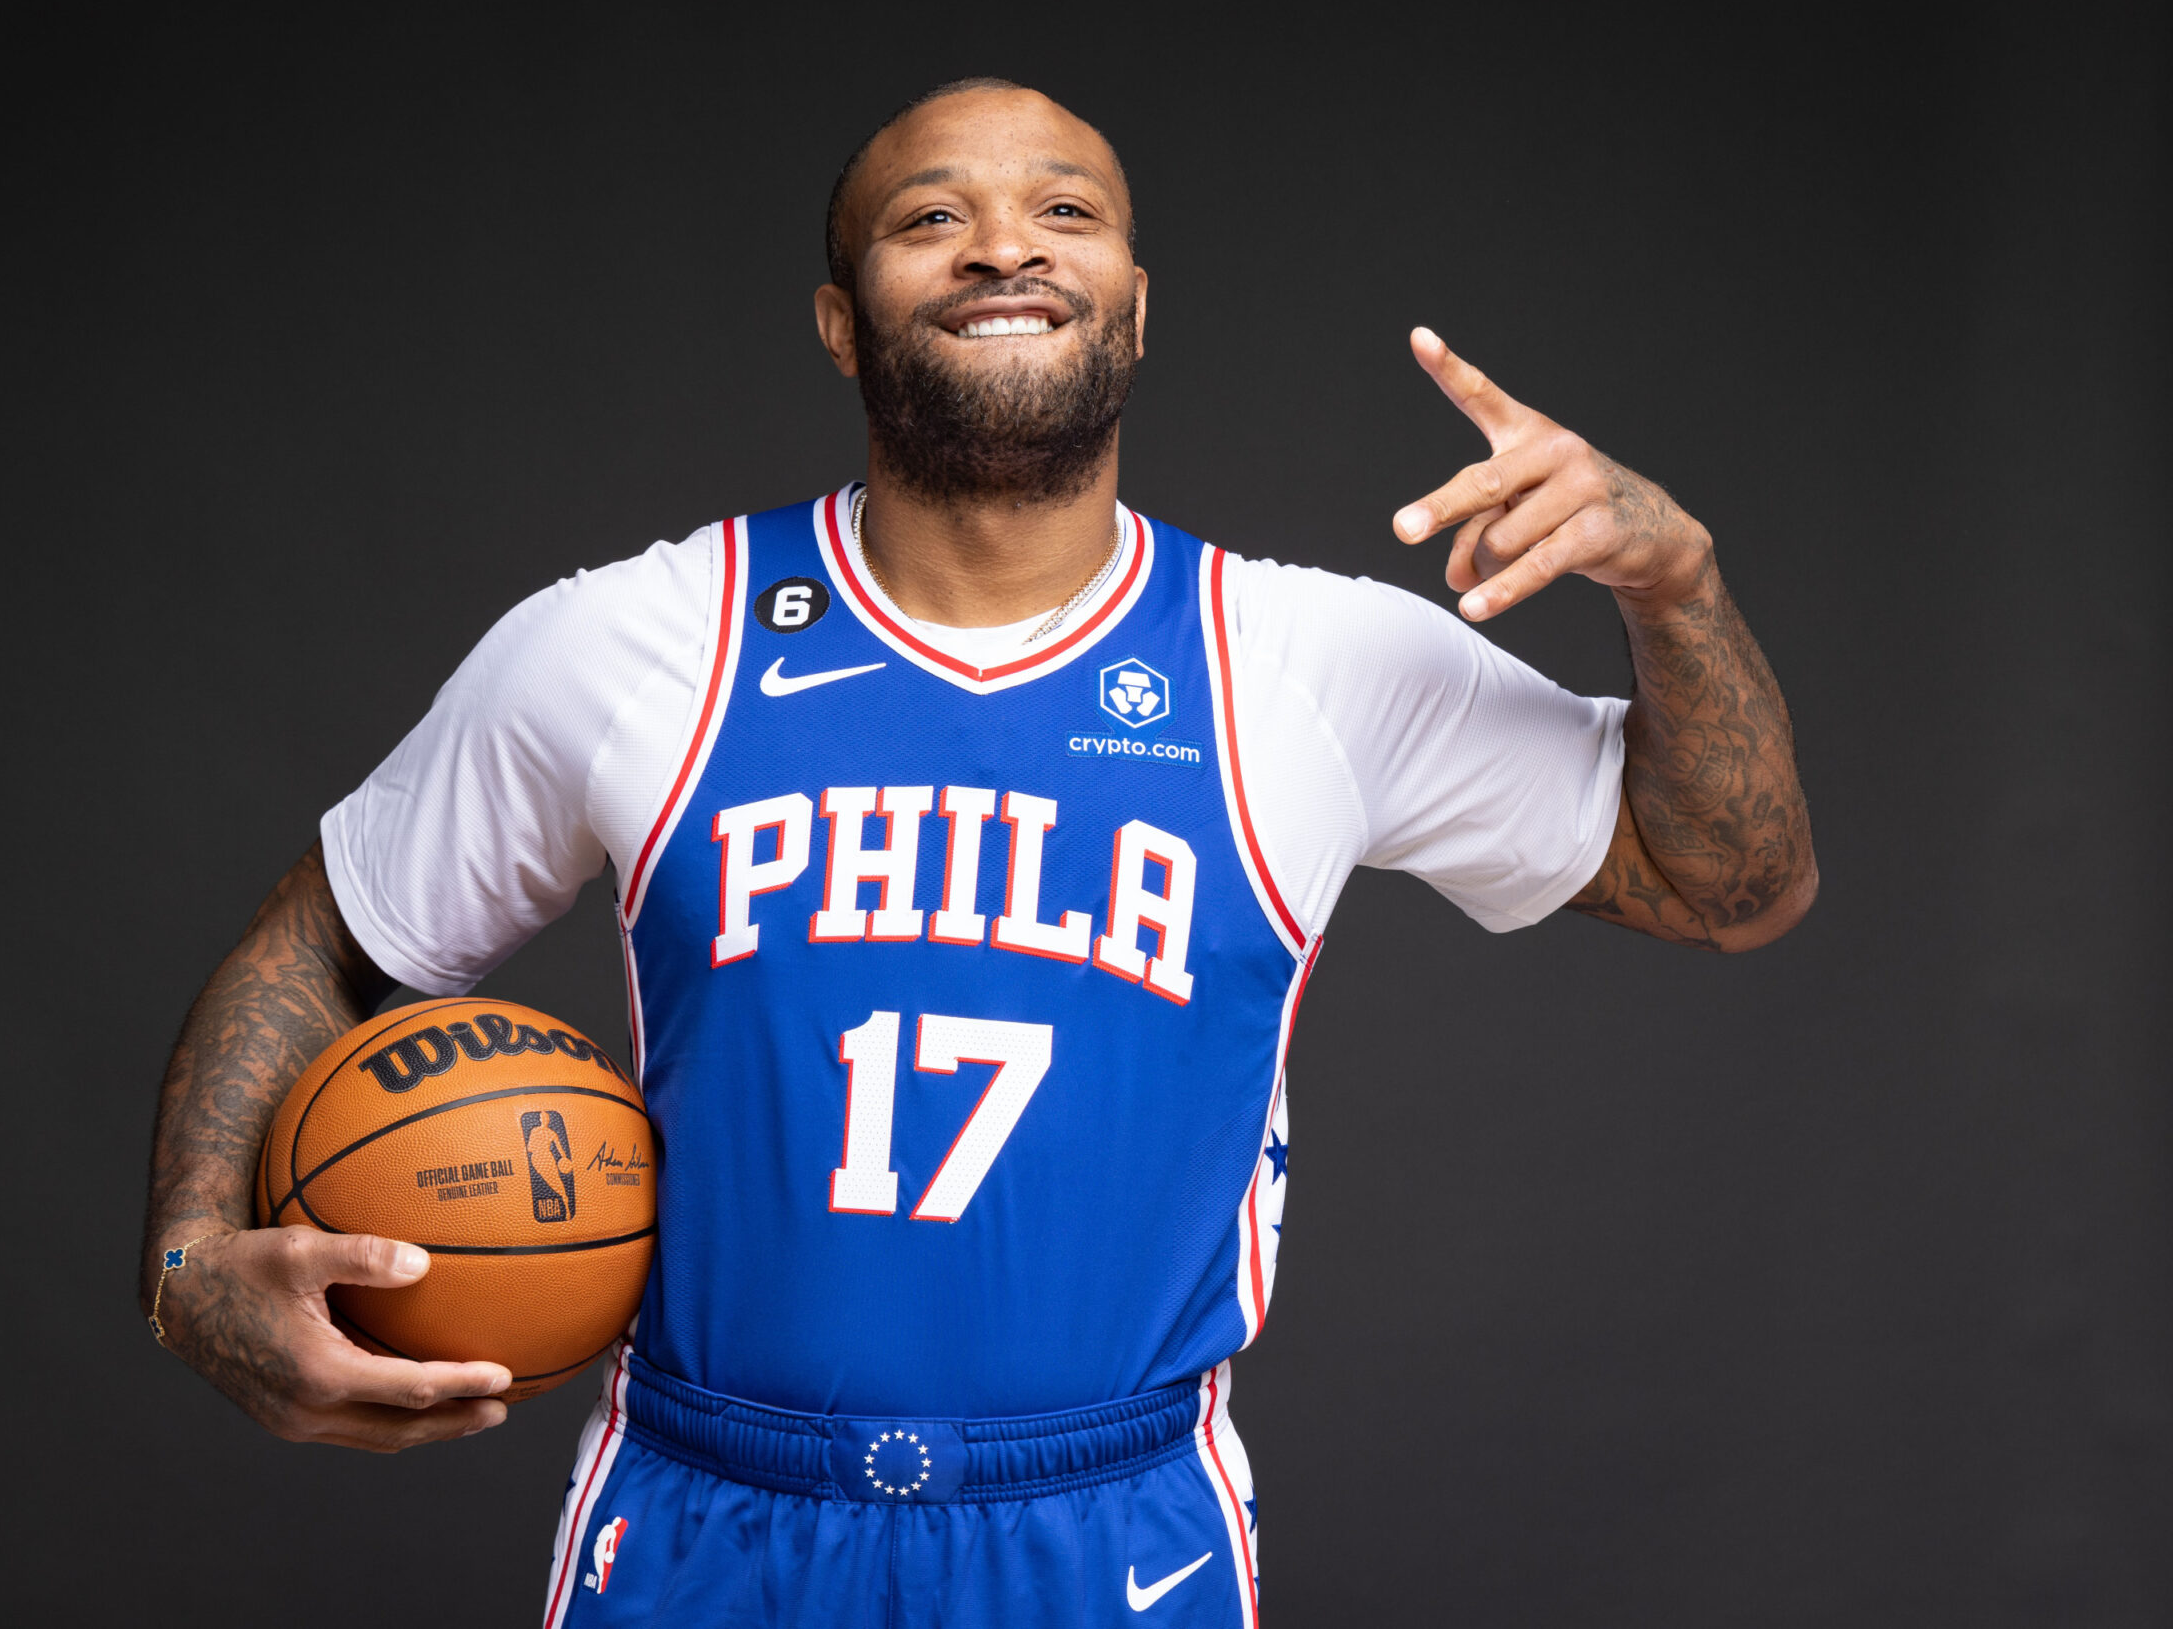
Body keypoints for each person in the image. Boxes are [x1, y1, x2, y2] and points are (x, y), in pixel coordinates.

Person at [138, 78, 1816, 1626]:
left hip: (1107, 1528)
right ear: (838, 321)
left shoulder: (1305, 663)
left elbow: (1727, 884)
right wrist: (192, 1261)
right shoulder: (639, 642)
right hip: (712, 1516)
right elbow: (320, 950)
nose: (1005, 240)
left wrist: (1674, 587)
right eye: (931, 216)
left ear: (1139, 310)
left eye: (1067, 211)